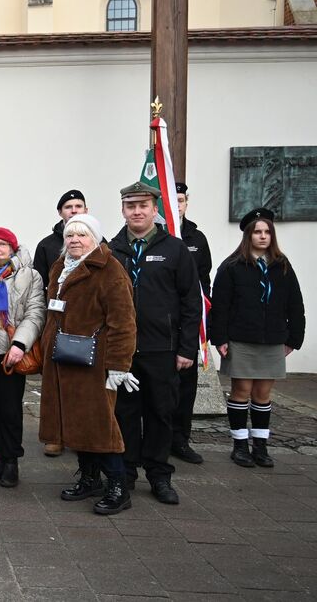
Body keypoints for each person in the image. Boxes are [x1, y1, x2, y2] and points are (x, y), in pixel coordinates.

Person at [38, 214, 138, 515]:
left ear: (95, 238)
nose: (75, 241)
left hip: (95, 362)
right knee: (74, 422)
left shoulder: (110, 270)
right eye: (70, 236)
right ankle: (90, 478)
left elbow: (123, 322)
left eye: (82, 235)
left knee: (100, 425)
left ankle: (119, 487)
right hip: (62, 359)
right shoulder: (60, 267)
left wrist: (119, 366)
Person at [108, 182, 201, 505]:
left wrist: (188, 348)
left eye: (143, 205)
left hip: (162, 348)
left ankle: (160, 475)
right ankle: (127, 473)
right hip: (122, 350)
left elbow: (191, 301)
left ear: (154, 209)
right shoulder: (111, 249)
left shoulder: (174, 249)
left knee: (161, 412)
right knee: (125, 413)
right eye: (130, 206)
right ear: (122, 210)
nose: (137, 211)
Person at [211, 208, 305, 469]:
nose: (263, 237)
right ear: (248, 235)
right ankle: (240, 445)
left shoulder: (282, 265)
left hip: (272, 340)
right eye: (257, 232)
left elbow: (295, 305)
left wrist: (293, 339)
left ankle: (260, 446)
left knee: (263, 393)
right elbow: (220, 306)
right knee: (241, 391)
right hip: (241, 339)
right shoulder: (232, 267)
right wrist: (220, 339)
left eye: (267, 232)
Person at [0, 226, 45, 488]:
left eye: (2, 244)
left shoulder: (30, 276)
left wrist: (19, 344)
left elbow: (35, 313)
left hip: (11, 353)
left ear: (12, 248)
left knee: (10, 410)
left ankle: (12, 460)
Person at [33, 189, 87, 457]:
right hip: (55, 324)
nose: (74, 210)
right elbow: (39, 285)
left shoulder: (98, 243)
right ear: (60, 213)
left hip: (86, 328)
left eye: (79, 205)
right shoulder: (47, 245)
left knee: (81, 385)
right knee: (53, 386)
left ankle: (78, 434)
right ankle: (55, 436)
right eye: (68, 206)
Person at [170, 182, 212, 465]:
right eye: (173, 200)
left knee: (186, 386)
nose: (178, 205)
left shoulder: (197, 238)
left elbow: (204, 281)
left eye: (181, 200)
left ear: (186, 203)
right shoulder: (156, 238)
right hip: (160, 323)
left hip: (188, 322)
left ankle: (180, 439)